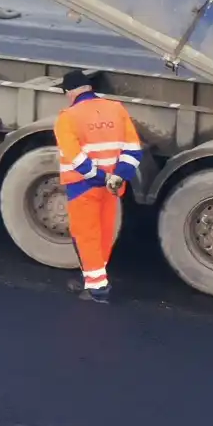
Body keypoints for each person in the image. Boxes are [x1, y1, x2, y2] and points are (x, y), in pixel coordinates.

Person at [54, 68, 143, 305]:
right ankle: (93, 278)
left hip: (83, 186)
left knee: (86, 236)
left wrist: (99, 176)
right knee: (104, 233)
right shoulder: (116, 109)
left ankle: (97, 289)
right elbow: (133, 150)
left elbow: (75, 158)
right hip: (113, 187)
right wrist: (117, 176)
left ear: (69, 92)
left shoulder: (67, 117)